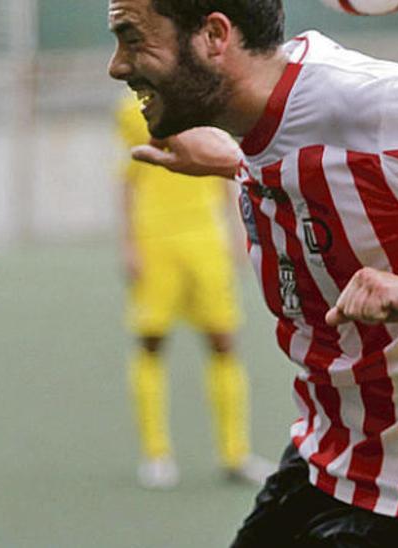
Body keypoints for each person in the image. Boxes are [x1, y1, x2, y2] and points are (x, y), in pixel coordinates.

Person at [106, 0, 398, 545]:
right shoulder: (258, 117)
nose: (118, 65)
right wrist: (234, 161)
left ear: (214, 35)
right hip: (327, 460)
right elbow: (317, 161)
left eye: (132, 38)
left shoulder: (366, 104)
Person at [115, 93, 272, 489]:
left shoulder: (207, 103)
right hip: (156, 239)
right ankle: (156, 454)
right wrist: (129, 243)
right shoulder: (130, 109)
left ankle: (234, 454)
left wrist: (237, 233)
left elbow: (221, 172)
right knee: (151, 341)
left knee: (223, 341)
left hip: (206, 240)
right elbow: (127, 177)